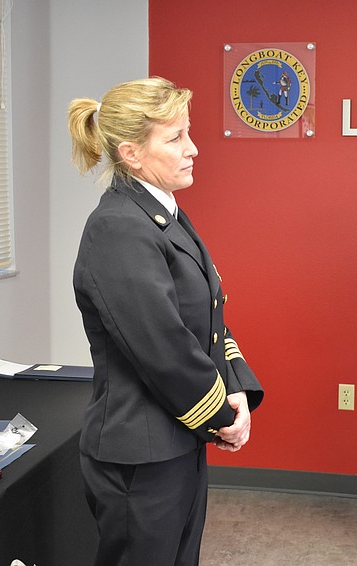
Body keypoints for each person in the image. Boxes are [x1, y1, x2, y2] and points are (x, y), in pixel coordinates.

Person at [68, 77, 264, 566]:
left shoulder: (163, 213)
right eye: (175, 138)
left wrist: (235, 387)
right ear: (132, 154)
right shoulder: (119, 227)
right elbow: (165, 349)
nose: (193, 148)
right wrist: (222, 418)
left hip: (174, 439)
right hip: (141, 452)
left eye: (188, 132)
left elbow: (209, 320)